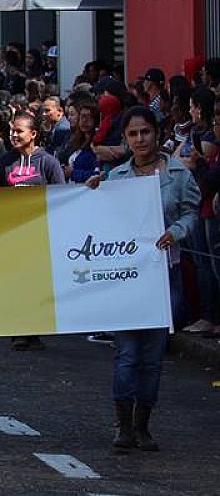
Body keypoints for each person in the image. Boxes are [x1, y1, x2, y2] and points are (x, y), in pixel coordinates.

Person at [87, 106, 199, 452]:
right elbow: (99, 219)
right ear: (125, 138)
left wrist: (175, 232)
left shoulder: (179, 174)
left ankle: (142, 425)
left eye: (145, 132)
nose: (140, 140)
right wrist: (91, 191)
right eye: (133, 134)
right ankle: (121, 425)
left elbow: (191, 211)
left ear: (156, 133)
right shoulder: (116, 178)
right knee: (126, 354)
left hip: (164, 276)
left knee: (152, 356)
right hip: (126, 279)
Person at [0, 110, 66, 351]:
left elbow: (61, 196)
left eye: (19, 131)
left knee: (37, 283)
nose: (14, 135)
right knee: (16, 282)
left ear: (33, 134)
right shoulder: (4, 162)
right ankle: (19, 330)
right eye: (12, 130)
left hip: (40, 234)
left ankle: (35, 329)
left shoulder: (48, 162)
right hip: (12, 234)